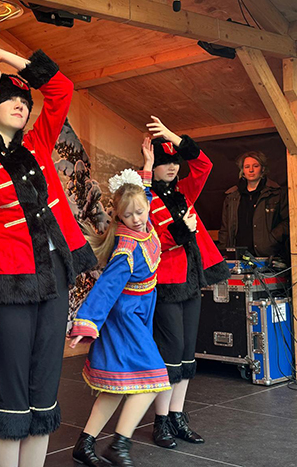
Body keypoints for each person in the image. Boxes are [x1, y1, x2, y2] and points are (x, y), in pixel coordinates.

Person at [0, 44, 97, 467]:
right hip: (5, 282)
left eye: (24, 101)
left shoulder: (37, 142)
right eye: (9, 99)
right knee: (12, 397)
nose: (19, 105)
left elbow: (62, 89)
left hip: (53, 273)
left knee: (45, 392)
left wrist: (4, 55)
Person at [70, 140, 169, 467]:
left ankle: (85, 444)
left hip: (140, 313)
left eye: (140, 211)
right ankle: (120, 445)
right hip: (125, 316)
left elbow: (145, 195)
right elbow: (105, 291)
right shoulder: (126, 249)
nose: (138, 219)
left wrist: (147, 166)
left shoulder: (145, 217)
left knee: (116, 384)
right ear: (119, 216)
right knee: (154, 380)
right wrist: (86, 323)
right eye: (128, 216)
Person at [146, 116, 229, 449]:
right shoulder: (144, 196)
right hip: (165, 283)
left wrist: (171, 136)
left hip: (192, 279)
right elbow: (151, 239)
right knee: (168, 354)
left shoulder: (183, 191)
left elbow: (204, 164)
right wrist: (185, 231)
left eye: (174, 162)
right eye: (164, 163)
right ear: (151, 165)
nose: (171, 168)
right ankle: (161, 421)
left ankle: (178, 416)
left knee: (185, 355)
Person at [218, 151, 288, 260]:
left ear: (263, 169)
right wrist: (224, 251)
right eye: (247, 166)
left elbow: (288, 221)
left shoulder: (276, 193)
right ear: (242, 170)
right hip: (237, 256)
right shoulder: (231, 196)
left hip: (267, 255)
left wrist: (272, 239)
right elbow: (225, 228)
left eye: (255, 166)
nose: (251, 170)